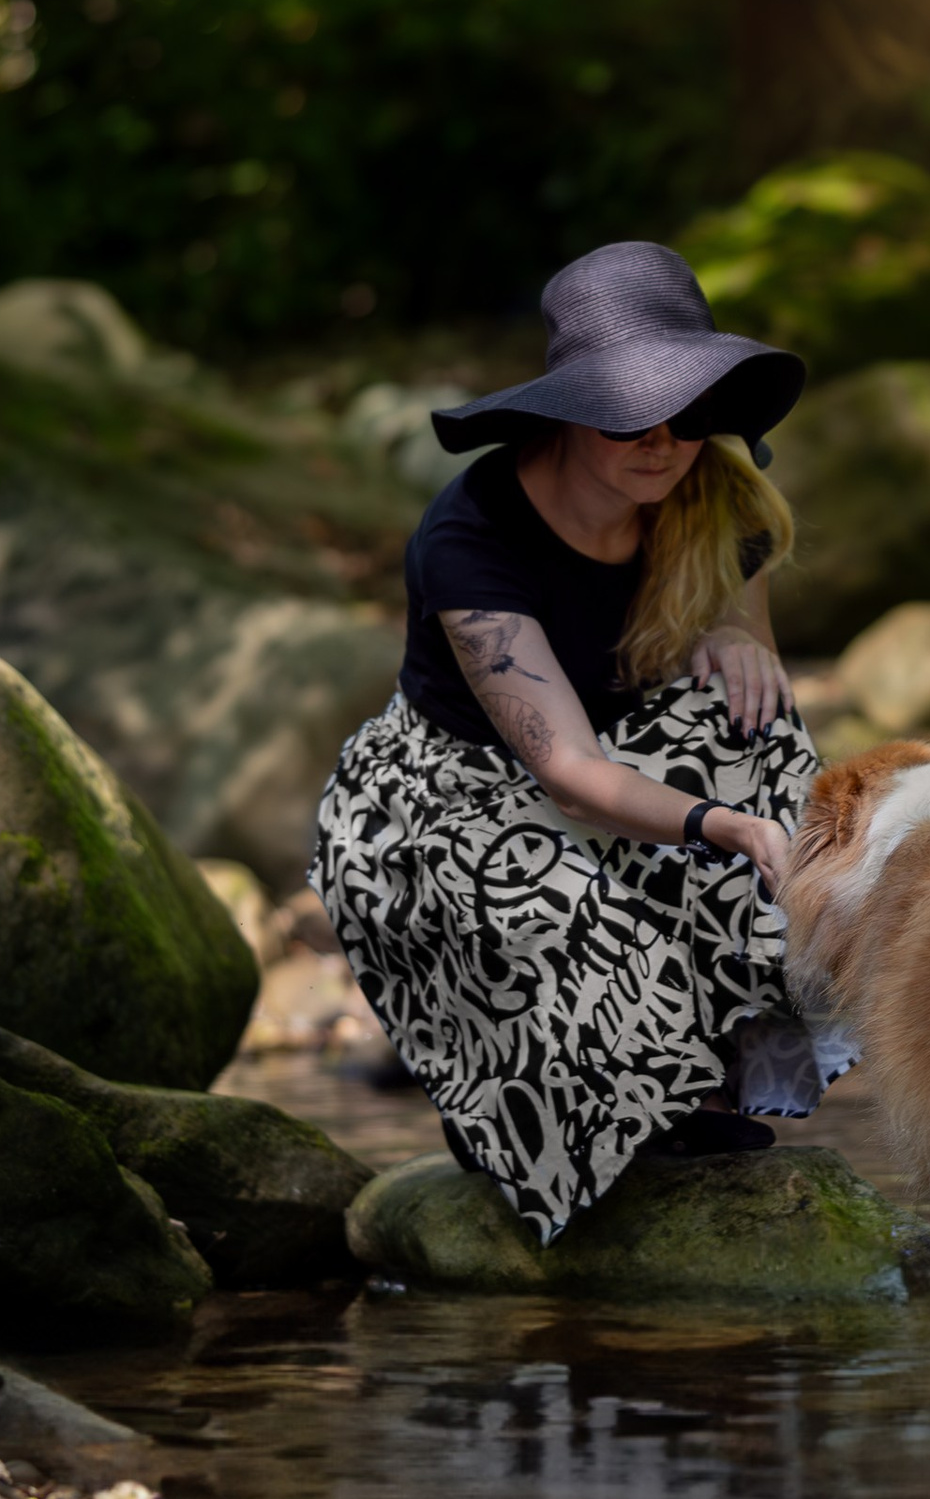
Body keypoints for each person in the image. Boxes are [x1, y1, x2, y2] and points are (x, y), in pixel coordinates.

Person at [311, 240, 846, 1239]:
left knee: (758, 731)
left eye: (690, 412)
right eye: (630, 415)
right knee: (561, 905)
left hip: (611, 762)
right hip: (442, 798)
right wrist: (719, 826)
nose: (664, 439)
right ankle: (533, 1108)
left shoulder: (719, 499)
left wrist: (733, 637)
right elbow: (561, 772)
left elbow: (755, 675)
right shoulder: (468, 535)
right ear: (568, 412)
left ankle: (712, 1076)